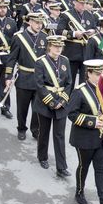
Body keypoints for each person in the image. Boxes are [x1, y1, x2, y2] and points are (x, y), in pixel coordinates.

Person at [68, 59, 103, 204]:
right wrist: (93, 122)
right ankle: (79, 192)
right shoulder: (80, 91)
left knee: (100, 169)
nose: (101, 77)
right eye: (98, 74)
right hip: (85, 137)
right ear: (89, 73)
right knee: (83, 166)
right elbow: (72, 114)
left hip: (102, 137)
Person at [32, 35, 72, 175]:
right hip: (45, 103)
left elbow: (69, 83)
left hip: (61, 102)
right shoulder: (40, 62)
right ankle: (42, 157)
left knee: (59, 135)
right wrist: (51, 102)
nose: (58, 49)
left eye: (60, 47)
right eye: (56, 46)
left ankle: (61, 167)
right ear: (49, 46)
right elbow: (39, 85)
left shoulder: (65, 61)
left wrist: (62, 101)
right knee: (44, 132)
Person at [6, 12, 48, 140]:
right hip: (24, 77)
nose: (39, 25)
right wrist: (8, 76)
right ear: (30, 22)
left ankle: (35, 130)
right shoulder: (19, 37)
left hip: (39, 79)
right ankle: (21, 128)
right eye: (36, 22)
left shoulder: (45, 37)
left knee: (37, 108)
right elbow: (12, 58)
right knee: (22, 107)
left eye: (41, 23)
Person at [57, 0, 96, 86]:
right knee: (70, 81)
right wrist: (74, 34)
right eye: (80, 3)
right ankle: (68, 99)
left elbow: (95, 28)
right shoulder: (67, 15)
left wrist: (92, 31)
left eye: (84, 3)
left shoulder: (89, 15)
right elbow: (59, 31)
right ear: (74, 2)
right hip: (72, 52)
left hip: (86, 52)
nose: (83, 5)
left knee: (85, 81)